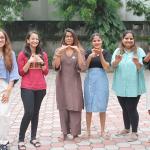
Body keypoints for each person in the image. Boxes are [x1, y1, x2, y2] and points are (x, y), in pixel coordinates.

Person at [111, 30, 146, 142]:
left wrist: (136, 63)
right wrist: (116, 61)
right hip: (120, 85)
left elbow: (141, 67)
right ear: (122, 39)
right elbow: (113, 66)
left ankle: (134, 132)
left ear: (134, 40)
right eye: (126, 38)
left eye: (131, 38)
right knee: (124, 108)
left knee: (131, 108)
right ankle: (126, 128)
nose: (129, 40)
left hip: (134, 85)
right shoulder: (118, 51)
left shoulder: (139, 51)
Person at [52, 28, 86, 141]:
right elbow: (56, 67)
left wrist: (79, 52)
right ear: (64, 38)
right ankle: (64, 133)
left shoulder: (79, 50)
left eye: (71, 36)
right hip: (62, 83)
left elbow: (82, 67)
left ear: (74, 38)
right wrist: (58, 54)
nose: (69, 38)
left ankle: (75, 134)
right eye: (67, 36)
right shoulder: (59, 50)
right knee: (63, 107)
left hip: (75, 83)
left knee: (76, 106)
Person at [17, 30, 49, 150]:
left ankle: (33, 137)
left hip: (41, 87)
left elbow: (46, 72)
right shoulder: (22, 55)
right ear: (28, 40)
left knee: (35, 113)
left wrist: (41, 62)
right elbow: (21, 72)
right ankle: (21, 139)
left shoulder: (43, 55)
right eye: (32, 38)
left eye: (37, 39)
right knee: (28, 112)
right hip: (27, 87)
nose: (35, 40)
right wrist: (29, 61)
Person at [84, 33, 110, 139]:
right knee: (88, 105)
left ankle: (102, 130)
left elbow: (106, 67)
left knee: (102, 105)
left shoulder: (106, 52)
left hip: (102, 80)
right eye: (94, 41)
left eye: (98, 40)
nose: (97, 42)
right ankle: (88, 131)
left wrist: (101, 55)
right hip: (89, 79)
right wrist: (90, 57)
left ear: (101, 41)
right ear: (92, 42)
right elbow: (84, 67)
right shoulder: (88, 52)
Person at [0, 29, 19, 150]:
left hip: (4, 86)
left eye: (2, 37)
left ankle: (3, 141)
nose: (0, 40)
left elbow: (13, 73)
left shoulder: (10, 53)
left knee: (4, 114)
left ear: (5, 39)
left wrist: (8, 91)